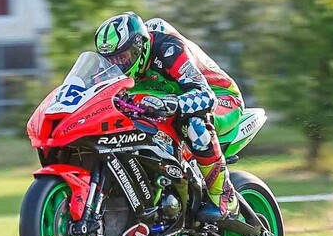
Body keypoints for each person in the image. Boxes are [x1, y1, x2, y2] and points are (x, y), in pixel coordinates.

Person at [94, 12, 243, 222]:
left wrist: (171, 103)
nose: (118, 65)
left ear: (141, 46)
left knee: (194, 125)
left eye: (124, 57)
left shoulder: (168, 48)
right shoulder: (115, 68)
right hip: (165, 98)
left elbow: (206, 96)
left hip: (221, 97)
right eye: (112, 60)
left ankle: (224, 197)